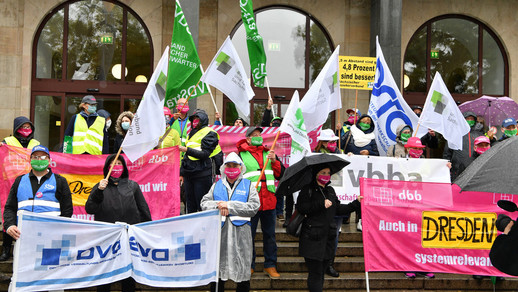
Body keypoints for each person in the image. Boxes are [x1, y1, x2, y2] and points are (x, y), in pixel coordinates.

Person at [86, 154, 151, 291]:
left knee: (128, 276)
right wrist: (99, 191)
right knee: (105, 275)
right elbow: (90, 209)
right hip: (106, 239)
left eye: (119, 164)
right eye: (113, 164)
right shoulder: (100, 186)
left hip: (128, 238)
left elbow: (143, 209)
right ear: (107, 168)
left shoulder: (132, 186)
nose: (116, 167)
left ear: (124, 168)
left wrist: (146, 231)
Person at [201, 152, 260, 292]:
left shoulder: (248, 185)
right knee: (218, 273)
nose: (232, 168)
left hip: (241, 235)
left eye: (235, 165)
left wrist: (230, 206)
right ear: (223, 168)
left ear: (241, 167)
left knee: (242, 272)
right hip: (219, 234)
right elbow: (204, 203)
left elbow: (254, 207)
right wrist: (218, 205)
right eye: (229, 165)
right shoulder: (216, 185)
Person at [297, 164, 361, 292]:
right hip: (312, 238)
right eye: (323, 172)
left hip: (328, 239)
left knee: (321, 273)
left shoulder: (330, 190)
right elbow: (302, 207)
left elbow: (338, 209)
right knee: (315, 273)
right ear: (316, 174)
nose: (326, 175)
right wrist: (321, 204)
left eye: (328, 173)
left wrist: (356, 203)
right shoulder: (307, 189)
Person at [237, 126, 285, 279]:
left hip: (269, 201)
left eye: (259, 134)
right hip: (250, 201)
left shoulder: (269, 153)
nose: (257, 137)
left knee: (270, 235)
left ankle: (270, 265)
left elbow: (280, 175)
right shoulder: (240, 155)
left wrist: (274, 161)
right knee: (248, 236)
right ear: (248, 138)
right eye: (254, 135)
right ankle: (248, 265)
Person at [3, 145, 73, 248]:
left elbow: (67, 210)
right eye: (35, 157)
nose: (39, 159)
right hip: (23, 238)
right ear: (30, 159)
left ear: (49, 160)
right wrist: (10, 225)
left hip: (51, 239)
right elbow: (10, 208)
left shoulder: (60, 181)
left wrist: (59, 230)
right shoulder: (20, 181)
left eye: (43, 157)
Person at [1, 116, 42, 261]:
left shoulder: (36, 143)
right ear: (17, 128)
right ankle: (6, 249)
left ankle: (28, 250)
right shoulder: (7, 142)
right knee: (9, 215)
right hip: (10, 183)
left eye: (28, 127)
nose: (26, 130)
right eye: (23, 127)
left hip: (30, 183)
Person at [179, 109, 223, 214]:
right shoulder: (192, 133)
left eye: (197, 119)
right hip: (189, 173)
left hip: (202, 173)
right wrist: (181, 173)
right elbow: (186, 156)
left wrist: (186, 150)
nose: (195, 121)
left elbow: (205, 154)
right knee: (189, 204)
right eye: (193, 119)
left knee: (202, 204)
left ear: (203, 120)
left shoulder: (210, 133)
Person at [443, 111, 484, 181]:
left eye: (472, 119)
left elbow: (485, 149)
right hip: (457, 169)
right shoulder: (455, 134)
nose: (470, 121)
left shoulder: (479, 134)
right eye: (468, 119)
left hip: (475, 169)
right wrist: (446, 163)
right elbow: (447, 152)